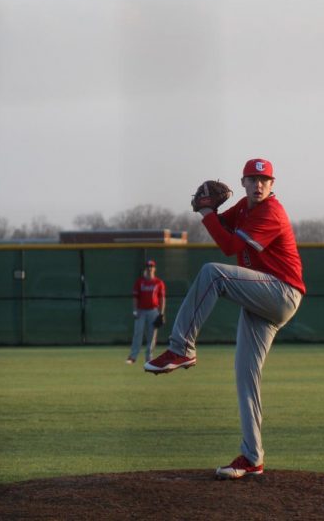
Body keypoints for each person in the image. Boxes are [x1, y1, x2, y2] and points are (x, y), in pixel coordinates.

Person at [145, 158, 306, 480]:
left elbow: (230, 247)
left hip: (281, 293)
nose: (258, 185)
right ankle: (252, 458)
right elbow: (223, 233)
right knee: (245, 376)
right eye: (252, 179)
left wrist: (207, 212)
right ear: (243, 183)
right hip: (260, 298)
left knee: (212, 273)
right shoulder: (245, 208)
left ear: (272, 185)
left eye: (264, 180)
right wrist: (210, 213)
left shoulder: (271, 212)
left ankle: (182, 348)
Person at [126, 259, 166, 364]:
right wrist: (135, 310)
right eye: (148, 266)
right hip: (141, 311)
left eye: (151, 266)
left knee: (152, 335)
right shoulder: (140, 282)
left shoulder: (159, 282)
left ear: (154, 269)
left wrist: (161, 313)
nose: (150, 268)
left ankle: (149, 358)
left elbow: (162, 299)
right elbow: (135, 297)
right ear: (146, 268)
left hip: (153, 311)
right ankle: (133, 357)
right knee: (138, 333)